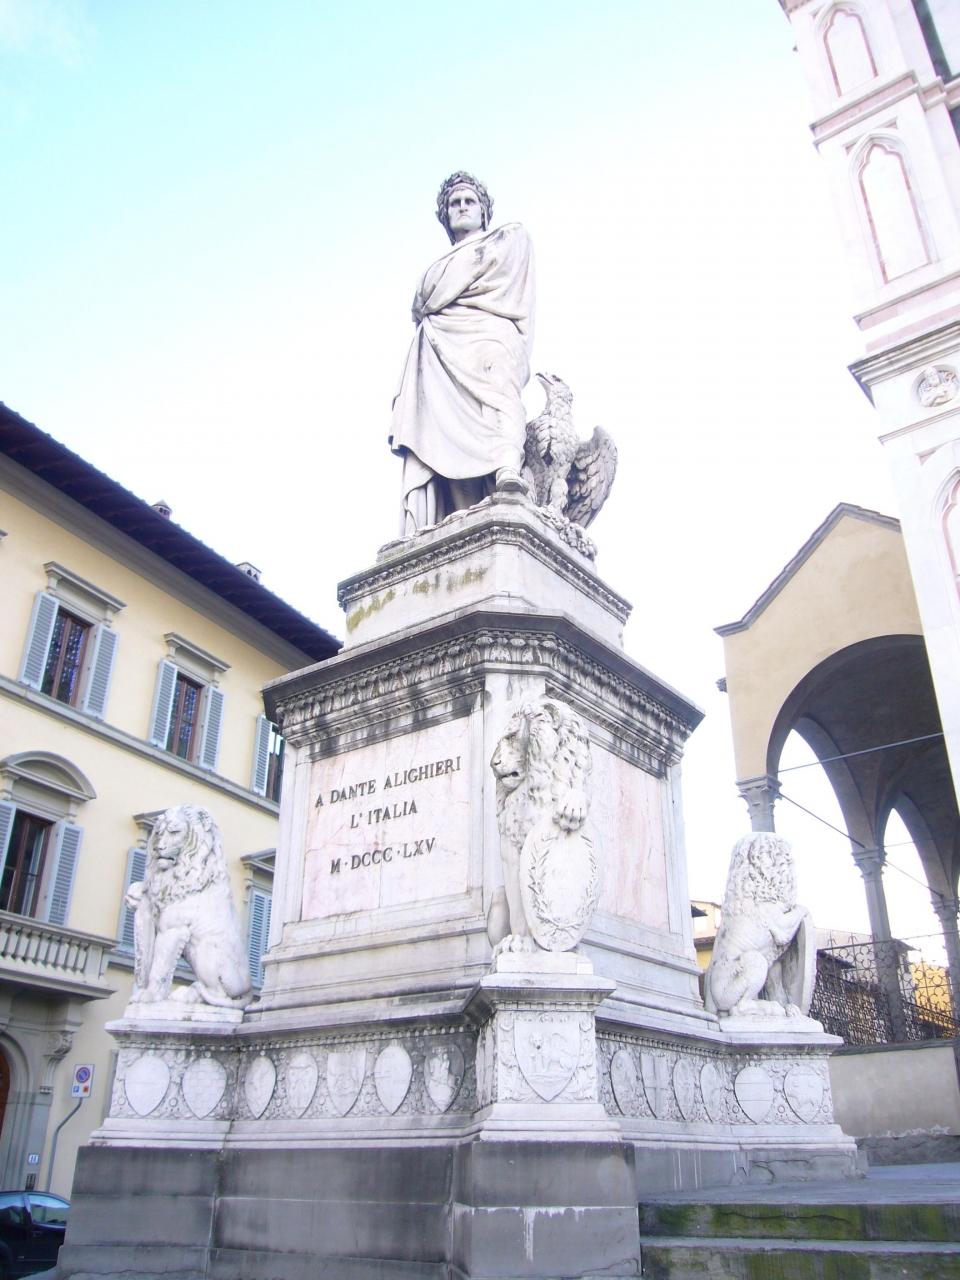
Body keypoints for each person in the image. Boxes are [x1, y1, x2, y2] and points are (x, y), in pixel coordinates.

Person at [390, 172, 535, 535]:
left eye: (469, 201)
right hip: (440, 350)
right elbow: (421, 301)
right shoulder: (435, 269)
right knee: (439, 430)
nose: (462, 207)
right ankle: (456, 514)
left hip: (490, 336)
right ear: (446, 216)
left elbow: (426, 299)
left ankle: (507, 470)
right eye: (454, 204)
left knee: (499, 399)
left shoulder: (507, 239)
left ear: (484, 211)